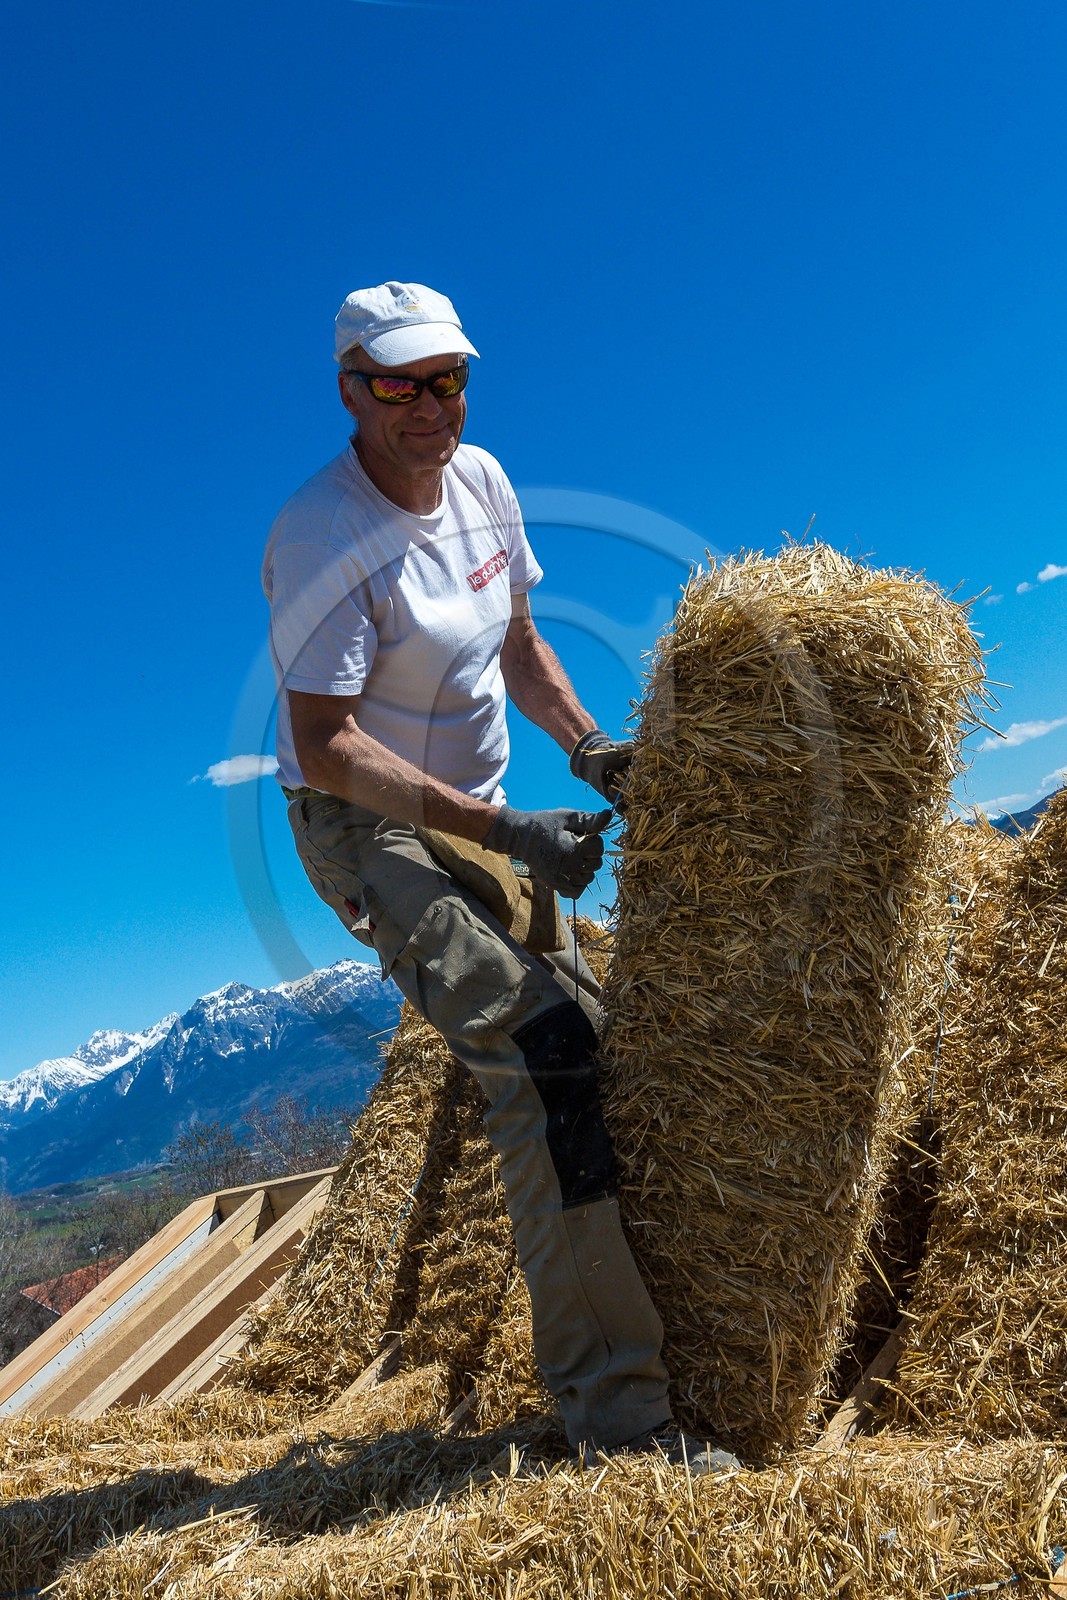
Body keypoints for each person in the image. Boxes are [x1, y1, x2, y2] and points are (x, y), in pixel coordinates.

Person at [262, 281, 737, 1474]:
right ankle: (619, 1428)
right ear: (350, 391)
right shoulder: (320, 536)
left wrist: (589, 748)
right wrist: (501, 825)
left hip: (484, 809)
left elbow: (519, 647)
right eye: (398, 385)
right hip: (367, 824)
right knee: (544, 1054)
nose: (429, 407)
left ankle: (692, 1344)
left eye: (448, 380)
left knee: (601, 1044)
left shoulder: (484, 484)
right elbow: (325, 742)